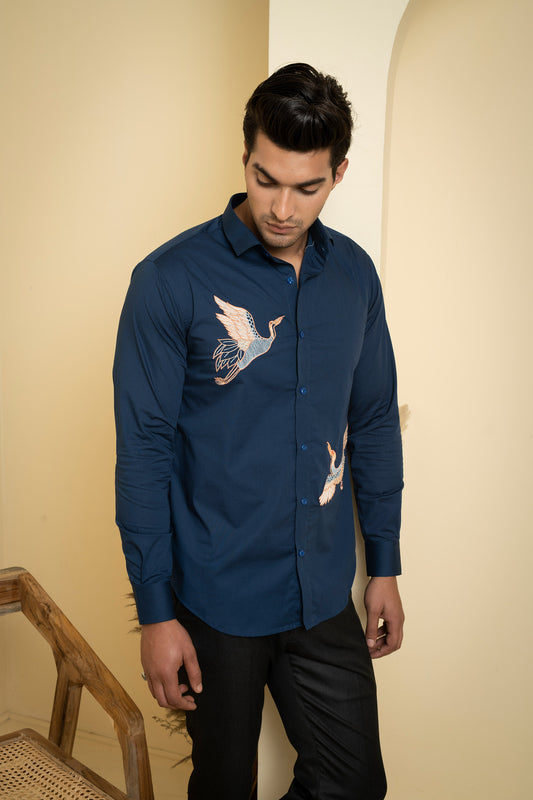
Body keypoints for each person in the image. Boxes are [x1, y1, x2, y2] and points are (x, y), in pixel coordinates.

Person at [114, 63, 404, 800]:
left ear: (338, 174)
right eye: (263, 178)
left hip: (320, 590)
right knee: (222, 787)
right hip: (213, 596)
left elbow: (372, 419)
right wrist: (156, 614)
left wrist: (385, 565)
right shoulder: (169, 279)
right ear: (244, 157)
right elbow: (143, 451)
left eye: (306, 188)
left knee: (354, 784)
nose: (280, 207)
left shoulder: (355, 277)